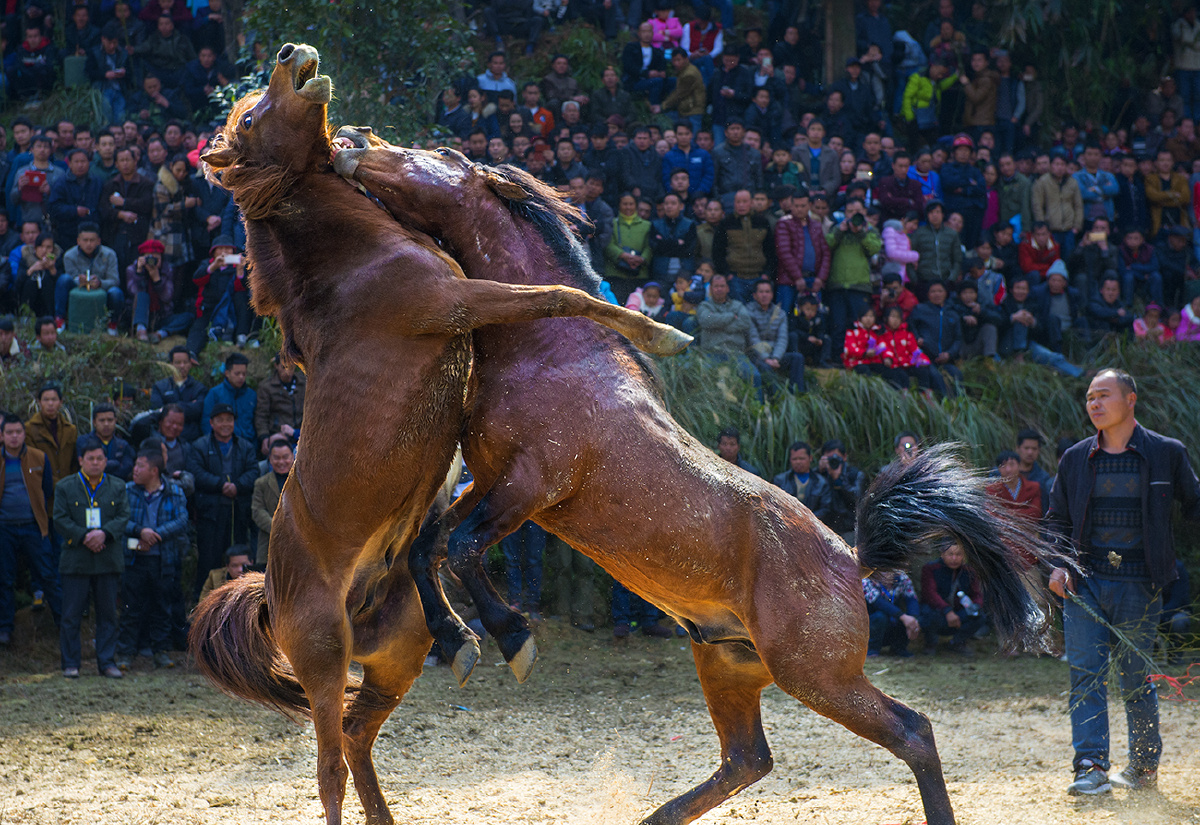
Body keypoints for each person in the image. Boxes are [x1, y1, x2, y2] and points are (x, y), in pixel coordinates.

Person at [1047, 369, 1200, 796]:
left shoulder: (1166, 453)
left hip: (1141, 585)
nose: (1094, 403)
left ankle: (1143, 767)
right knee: (1085, 676)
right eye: (1089, 397)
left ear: (1131, 399)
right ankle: (1091, 766)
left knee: (1136, 679)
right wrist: (1058, 565)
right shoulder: (1075, 458)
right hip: (1085, 585)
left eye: (1104, 395)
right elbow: (1056, 520)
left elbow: (1195, 504)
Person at [55, 436, 130, 679]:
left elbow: (123, 516)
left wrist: (104, 534)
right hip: (77, 560)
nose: (95, 463)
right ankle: (70, 663)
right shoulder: (65, 486)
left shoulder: (118, 486)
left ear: (106, 460)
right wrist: (85, 536)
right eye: (90, 459)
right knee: (71, 616)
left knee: (108, 615)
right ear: (81, 460)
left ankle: (107, 662)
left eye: (100, 458)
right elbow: (60, 518)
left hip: (107, 559)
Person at [116, 448, 188, 669]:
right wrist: (140, 531)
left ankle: (162, 652)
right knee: (131, 608)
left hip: (163, 560)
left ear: (154, 471)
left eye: (140, 466)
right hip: (134, 559)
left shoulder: (174, 491)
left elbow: (182, 519)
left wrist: (157, 534)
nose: (134, 470)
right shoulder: (127, 491)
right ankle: (125, 654)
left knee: (162, 607)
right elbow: (119, 519)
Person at [0, 413, 59, 647]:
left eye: (18, 432)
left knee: (47, 574)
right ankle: (5, 628)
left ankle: (63, 621)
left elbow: (46, 490)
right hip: (4, 528)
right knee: (4, 578)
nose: (14, 437)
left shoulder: (39, 457)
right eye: (9, 433)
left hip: (34, 527)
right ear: (2, 436)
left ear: (24, 434)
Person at [186, 403, 257, 598]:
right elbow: (196, 471)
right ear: (211, 423)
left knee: (239, 559)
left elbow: (253, 471)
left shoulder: (245, 446)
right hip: (210, 513)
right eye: (220, 420)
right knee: (209, 560)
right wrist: (220, 485)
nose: (225, 424)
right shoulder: (200, 446)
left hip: (238, 512)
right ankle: (204, 605)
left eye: (229, 419)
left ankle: (240, 601)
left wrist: (238, 485)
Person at [825, 198, 882, 359]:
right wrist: (839, 231)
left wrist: (861, 232)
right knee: (838, 324)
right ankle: (837, 358)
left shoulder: (870, 230)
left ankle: (859, 358)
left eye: (857, 211)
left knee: (859, 324)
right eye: (849, 212)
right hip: (837, 284)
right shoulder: (837, 228)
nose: (853, 215)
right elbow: (826, 246)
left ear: (864, 212)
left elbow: (874, 248)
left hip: (860, 285)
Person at [918, 542, 985, 656]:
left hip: (959, 613)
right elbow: (930, 594)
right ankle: (931, 643)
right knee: (928, 613)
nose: (954, 558)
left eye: (958, 554)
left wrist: (975, 606)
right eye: (950, 554)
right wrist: (947, 611)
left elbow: (976, 594)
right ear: (942, 554)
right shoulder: (931, 568)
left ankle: (957, 642)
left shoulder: (969, 572)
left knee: (979, 616)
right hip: (938, 612)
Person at [774, 188, 830, 315]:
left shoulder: (816, 225)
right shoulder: (784, 224)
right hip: (788, 281)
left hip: (812, 279)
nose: (799, 209)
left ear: (809, 206)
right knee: (784, 317)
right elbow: (784, 253)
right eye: (796, 206)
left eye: (803, 206)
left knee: (815, 318)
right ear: (791, 206)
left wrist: (821, 278)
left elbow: (825, 253)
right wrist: (797, 277)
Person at [60, 222, 123, 335]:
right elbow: (70, 277)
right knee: (63, 280)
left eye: (92, 240)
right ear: (78, 241)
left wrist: (100, 283)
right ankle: (60, 320)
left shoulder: (109, 254)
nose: (88, 244)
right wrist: (78, 280)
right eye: (85, 240)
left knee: (116, 293)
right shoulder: (69, 255)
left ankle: (112, 325)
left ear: (98, 241)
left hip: (101, 289)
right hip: (78, 288)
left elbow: (114, 280)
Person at [712, 189, 773, 302]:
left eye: (744, 202)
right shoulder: (727, 222)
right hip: (735, 277)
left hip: (758, 276)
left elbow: (770, 250)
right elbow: (718, 251)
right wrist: (726, 274)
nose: (741, 205)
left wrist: (767, 273)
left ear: (751, 203)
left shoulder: (762, 221)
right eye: (738, 202)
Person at [908, 281, 963, 396]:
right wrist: (918, 339)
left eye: (940, 291)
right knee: (936, 377)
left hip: (945, 358)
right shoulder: (920, 309)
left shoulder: (952, 313)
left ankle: (958, 407)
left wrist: (949, 354)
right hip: (926, 358)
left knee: (957, 375)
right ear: (928, 294)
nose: (937, 294)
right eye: (933, 291)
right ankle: (943, 407)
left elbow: (958, 339)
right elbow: (911, 328)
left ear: (946, 293)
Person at [150, 346, 207, 442]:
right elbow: (157, 411)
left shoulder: (199, 388)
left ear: (190, 364)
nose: (182, 366)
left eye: (185, 362)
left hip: (192, 439)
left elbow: (198, 410)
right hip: (165, 439)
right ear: (171, 364)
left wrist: (170, 407)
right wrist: (189, 406)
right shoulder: (160, 386)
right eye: (178, 363)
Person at [1032, 154, 1084, 257]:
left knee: (1069, 257)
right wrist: (1043, 229)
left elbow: (1078, 205)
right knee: (1052, 257)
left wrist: (1077, 226)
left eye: (1063, 164)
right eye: (1056, 164)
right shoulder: (1042, 182)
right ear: (1051, 166)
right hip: (1051, 229)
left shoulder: (1072, 182)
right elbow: (1037, 207)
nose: (1060, 167)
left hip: (1069, 229)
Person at [25, 384, 78, 484]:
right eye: (46, 400)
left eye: (54, 399)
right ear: (39, 402)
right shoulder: (29, 429)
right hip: (43, 486)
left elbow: (74, 463)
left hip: (69, 486)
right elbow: (32, 463)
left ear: (60, 402)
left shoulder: (70, 430)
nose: (50, 403)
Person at [251, 438, 293, 565]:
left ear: (293, 457)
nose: (281, 462)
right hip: (269, 542)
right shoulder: (261, 483)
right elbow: (257, 511)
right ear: (269, 459)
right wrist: (277, 528)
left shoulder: (304, 483)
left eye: (285, 457)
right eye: (276, 458)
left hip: (299, 542)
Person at [201, 352, 257, 443]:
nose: (241, 377)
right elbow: (206, 421)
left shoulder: (252, 395)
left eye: (244, 374)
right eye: (237, 373)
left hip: (248, 445)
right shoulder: (215, 393)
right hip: (222, 444)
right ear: (227, 373)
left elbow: (256, 422)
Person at [255, 354, 305, 454]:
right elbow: (261, 414)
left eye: (290, 367)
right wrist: (264, 437)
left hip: (300, 434)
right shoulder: (267, 387)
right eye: (283, 367)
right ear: (276, 366)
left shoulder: (303, 384)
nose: (287, 372)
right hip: (278, 435)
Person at [863, 570, 920, 657]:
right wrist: (903, 616)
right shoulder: (867, 579)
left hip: (893, 621)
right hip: (871, 624)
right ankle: (872, 649)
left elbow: (911, 599)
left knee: (908, 618)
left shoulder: (902, 577)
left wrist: (913, 619)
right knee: (880, 617)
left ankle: (899, 648)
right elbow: (878, 602)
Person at [771, 441, 830, 523]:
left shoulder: (821, 482)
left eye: (802, 458)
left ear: (810, 458)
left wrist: (806, 519)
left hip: (813, 525)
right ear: (790, 460)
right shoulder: (780, 480)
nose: (798, 462)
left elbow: (825, 509)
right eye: (794, 459)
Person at [817, 439, 864, 542]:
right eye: (829, 459)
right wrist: (819, 472)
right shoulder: (819, 476)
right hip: (824, 529)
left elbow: (857, 499)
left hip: (849, 530)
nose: (833, 462)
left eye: (836, 458)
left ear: (844, 457)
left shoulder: (855, 475)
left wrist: (839, 480)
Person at [80, 403, 134, 481]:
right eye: (102, 420)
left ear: (115, 421)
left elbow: (126, 469)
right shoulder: (83, 441)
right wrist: (115, 464)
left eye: (110, 420)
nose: (106, 424)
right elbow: (86, 468)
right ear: (94, 422)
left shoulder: (123, 445)